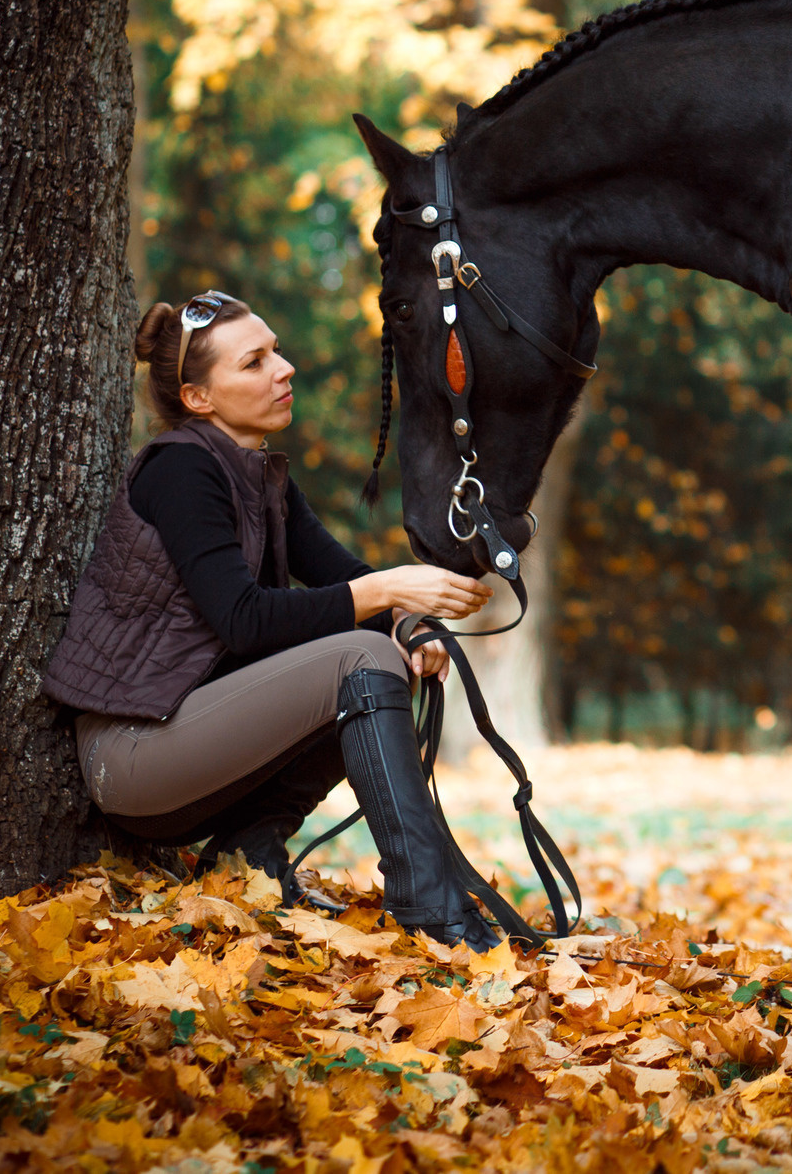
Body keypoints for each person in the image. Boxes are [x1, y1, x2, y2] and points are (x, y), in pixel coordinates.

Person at [43, 289, 504, 949]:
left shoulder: (262, 477)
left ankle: (246, 857)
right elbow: (244, 619)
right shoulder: (181, 469)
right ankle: (436, 914)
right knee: (360, 659)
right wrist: (389, 593)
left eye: (275, 351)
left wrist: (411, 623)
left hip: (191, 737)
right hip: (132, 754)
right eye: (254, 361)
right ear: (199, 397)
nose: (283, 368)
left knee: (378, 650)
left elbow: (344, 584)